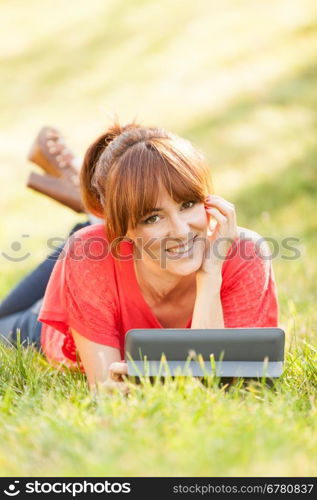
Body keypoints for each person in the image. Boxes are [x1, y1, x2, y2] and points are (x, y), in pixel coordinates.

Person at [0, 120, 279, 394]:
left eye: (188, 203)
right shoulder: (88, 257)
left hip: (117, 248)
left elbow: (224, 383)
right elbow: (106, 394)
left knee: (94, 242)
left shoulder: (244, 254)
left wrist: (210, 274)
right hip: (82, 285)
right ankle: (98, 215)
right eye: (152, 217)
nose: (181, 231)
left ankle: (104, 210)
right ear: (125, 229)